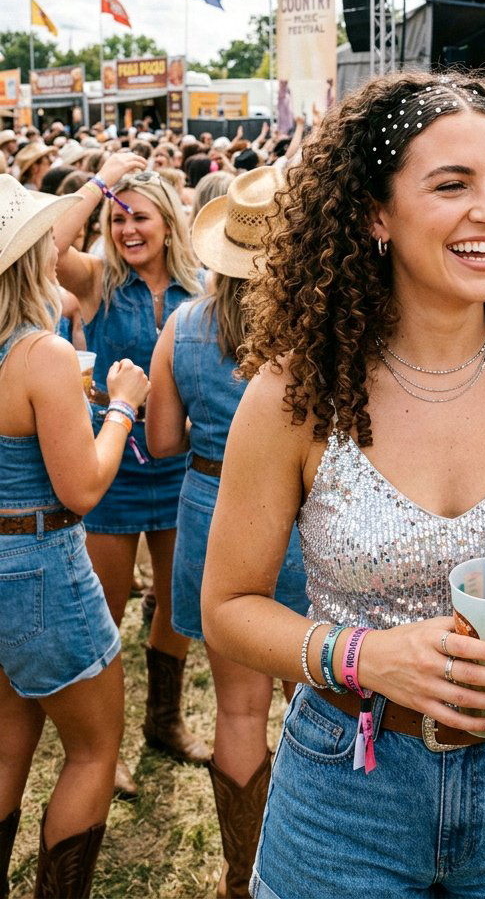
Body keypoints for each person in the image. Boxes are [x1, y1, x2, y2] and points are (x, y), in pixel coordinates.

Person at [203, 71, 485, 899]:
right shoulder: (297, 392)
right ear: (374, 213)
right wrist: (365, 656)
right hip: (345, 784)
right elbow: (226, 606)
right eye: (452, 185)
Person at [146, 168, 308, 897]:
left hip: (211, 509)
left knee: (236, 709)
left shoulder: (182, 326)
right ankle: (304, 858)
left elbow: (164, 440)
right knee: (319, 697)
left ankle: (241, 878)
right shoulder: (319, 325)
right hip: (309, 517)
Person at [0, 177, 149, 898]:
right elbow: (82, 487)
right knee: (93, 752)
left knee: (4, 746)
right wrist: (121, 408)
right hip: (41, 566)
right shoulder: (41, 354)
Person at [51, 155, 208, 799]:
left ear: (169, 223)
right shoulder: (93, 282)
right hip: (109, 471)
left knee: (177, 605)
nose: (127, 229)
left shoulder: (198, 291)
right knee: (105, 616)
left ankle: (164, 723)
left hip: (180, 471)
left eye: (140, 217)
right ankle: (102, 751)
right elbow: (47, 244)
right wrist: (101, 182)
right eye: (118, 219)